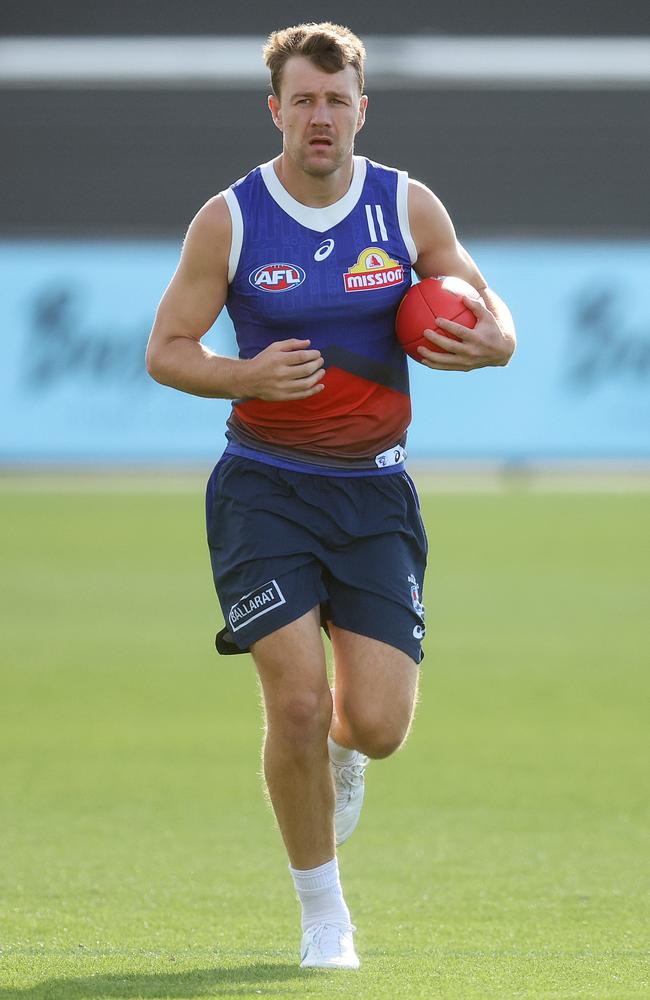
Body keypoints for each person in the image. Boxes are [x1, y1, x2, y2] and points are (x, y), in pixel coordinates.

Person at [146, 22, 515, 970]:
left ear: (362, 106)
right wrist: (247, 376)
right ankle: (324, 920)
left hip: (376, 495)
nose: (320, 116)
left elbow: (482, 299)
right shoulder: (228, 219)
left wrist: (497, 339)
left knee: (378, 727)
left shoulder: (405, 205)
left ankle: (345, 757)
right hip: (264, 489)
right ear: (277, 109)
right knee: (298, 703)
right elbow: (168, 351)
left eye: (335, 98)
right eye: (302, 100)